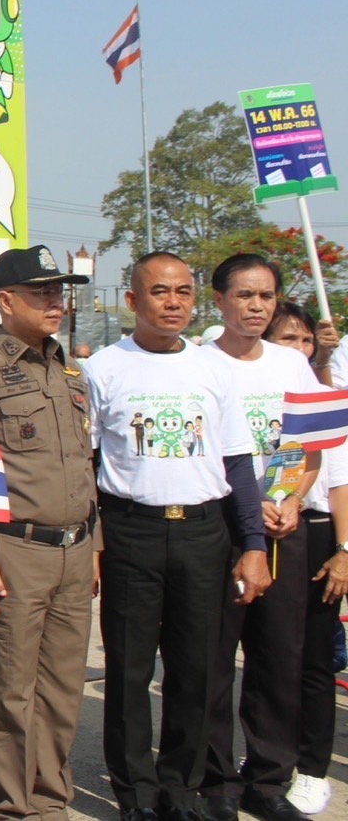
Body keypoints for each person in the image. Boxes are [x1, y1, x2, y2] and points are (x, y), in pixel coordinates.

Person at [84, 252, 270, 820]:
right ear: (133, 300)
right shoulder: (103, 368)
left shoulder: (214, 368)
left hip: (202, 532)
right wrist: (93, 547)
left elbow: (238, 464)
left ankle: (181, 790)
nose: (173, 302)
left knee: (197, 669)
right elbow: (86, 463)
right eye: (159, 292)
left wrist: (254, 545)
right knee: (129, 671)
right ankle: (136, 795)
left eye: (183, 292)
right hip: (131, 532)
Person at [0, 244, 97, 821]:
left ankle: (51, 802)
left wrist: (95, 545)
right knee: (10, 692)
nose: (56, 302)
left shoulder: (68, 370)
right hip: (13, 553)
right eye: (41, 292)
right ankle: (15, 807)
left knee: (62, 690)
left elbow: (84, 463)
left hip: (75, 549)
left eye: (59, 292)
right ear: (6, 301)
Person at [196, 256, 322, 821]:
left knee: (277, 658)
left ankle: (268, 779)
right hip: (219, 527)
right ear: (219, 299)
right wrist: (246, 510)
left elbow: (311, 446)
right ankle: (214, 781)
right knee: (213, 660)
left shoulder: (292, 365)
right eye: (245, 295)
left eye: (266, 296)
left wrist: (292, 500)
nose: (256, 307)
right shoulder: (198, 363)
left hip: (283, 526)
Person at [266, 302, 348, 815]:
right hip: (263, 529)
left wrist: (343, 551)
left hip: (316, 533)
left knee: (315, 657)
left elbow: (339, 481)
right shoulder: (251, 395)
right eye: (286, 340)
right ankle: (270, 757)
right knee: (270, 656)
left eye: (305, 340)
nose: (298, 350)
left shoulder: (322, 403)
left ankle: (313, 769)